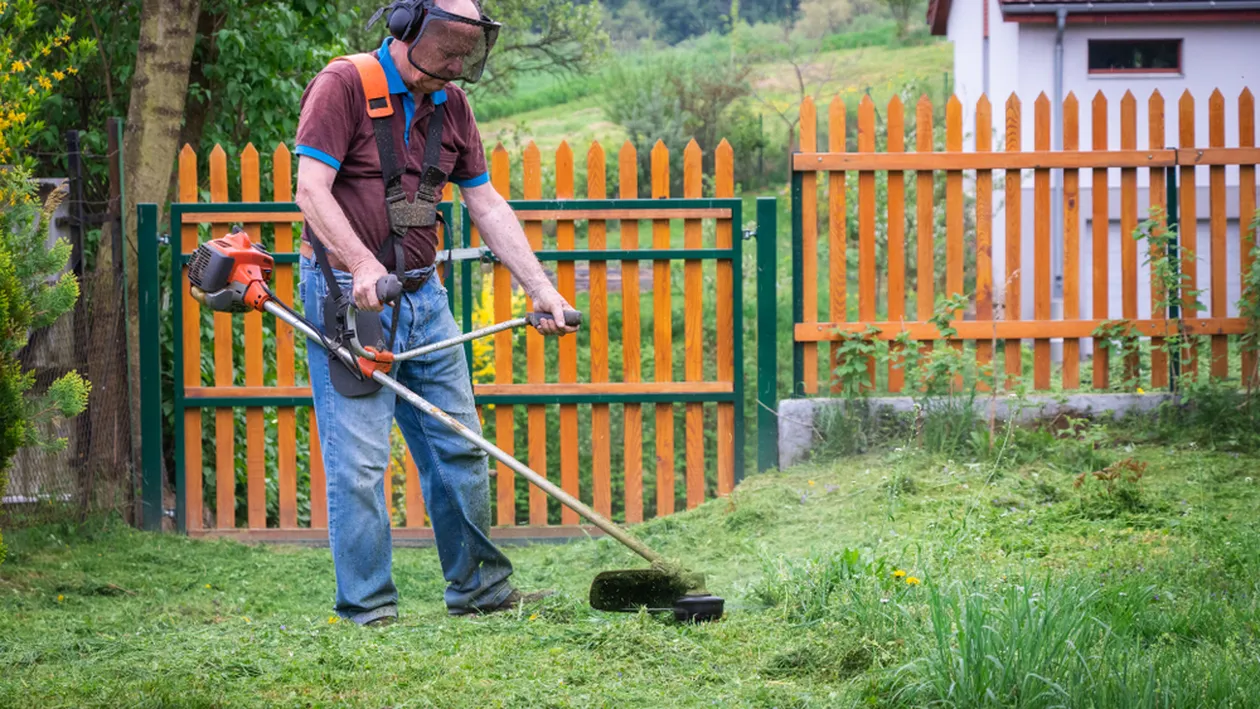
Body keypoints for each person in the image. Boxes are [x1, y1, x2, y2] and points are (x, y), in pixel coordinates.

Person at [293, 0, 576, 626]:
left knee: (461, 447)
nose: (452, 65)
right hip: (348, 297)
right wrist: (363, 266)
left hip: (426, 297)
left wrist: (540, 288)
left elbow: (487, 202)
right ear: (404, 29)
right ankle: (368, 610)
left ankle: (480, 593)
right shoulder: (342, 85)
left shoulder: (453, 106)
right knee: (361, 463)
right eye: (443, 48)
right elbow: (309, 188)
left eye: (462, 53)